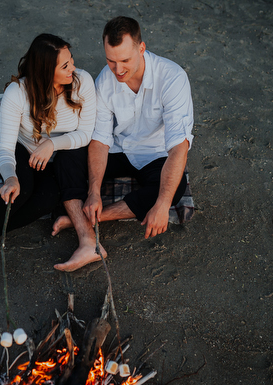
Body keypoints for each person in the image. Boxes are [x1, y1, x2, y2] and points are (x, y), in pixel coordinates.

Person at [0, 33, 97, 300]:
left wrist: (52, 145)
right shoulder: (17, 94)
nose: (74, 69)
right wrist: (10, 176)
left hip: (60, 153)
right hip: (26, 149)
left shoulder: (83, 82)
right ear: (46, 71)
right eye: (65, 66)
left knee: (46, 201)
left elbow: (86, 134)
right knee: (20, 191)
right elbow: (5, 148)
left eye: (71, 61)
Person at [51, 16, 194, 272]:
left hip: (155, 153)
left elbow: (178, 147)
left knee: (173, 187)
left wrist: (162, 205)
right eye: (111, 60)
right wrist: (93, 192)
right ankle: (87, 237)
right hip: (120, 147)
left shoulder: (172, 78)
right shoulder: (105, 80)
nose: (117, 70)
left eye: (125, 60)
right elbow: (100, 139)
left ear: (141, 48)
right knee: (66, 155)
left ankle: (81, 221)